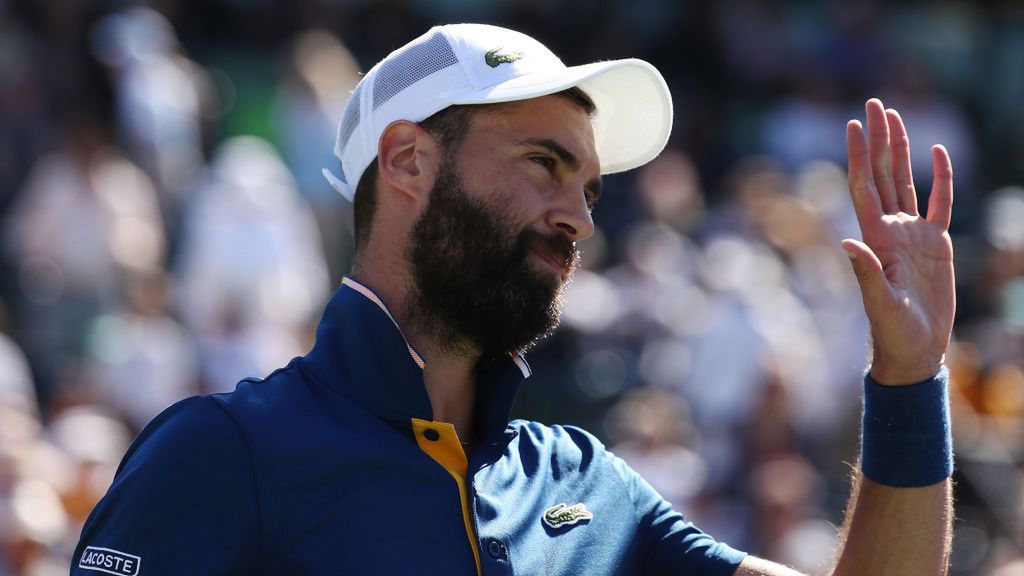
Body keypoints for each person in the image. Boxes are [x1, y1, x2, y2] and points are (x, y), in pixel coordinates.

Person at [71, 23, 955, 575]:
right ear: (409, 160)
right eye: (544, 163)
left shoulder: (585, 483)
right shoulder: (220, 455)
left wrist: (911, 380)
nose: (577, 216)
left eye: (591, 189)